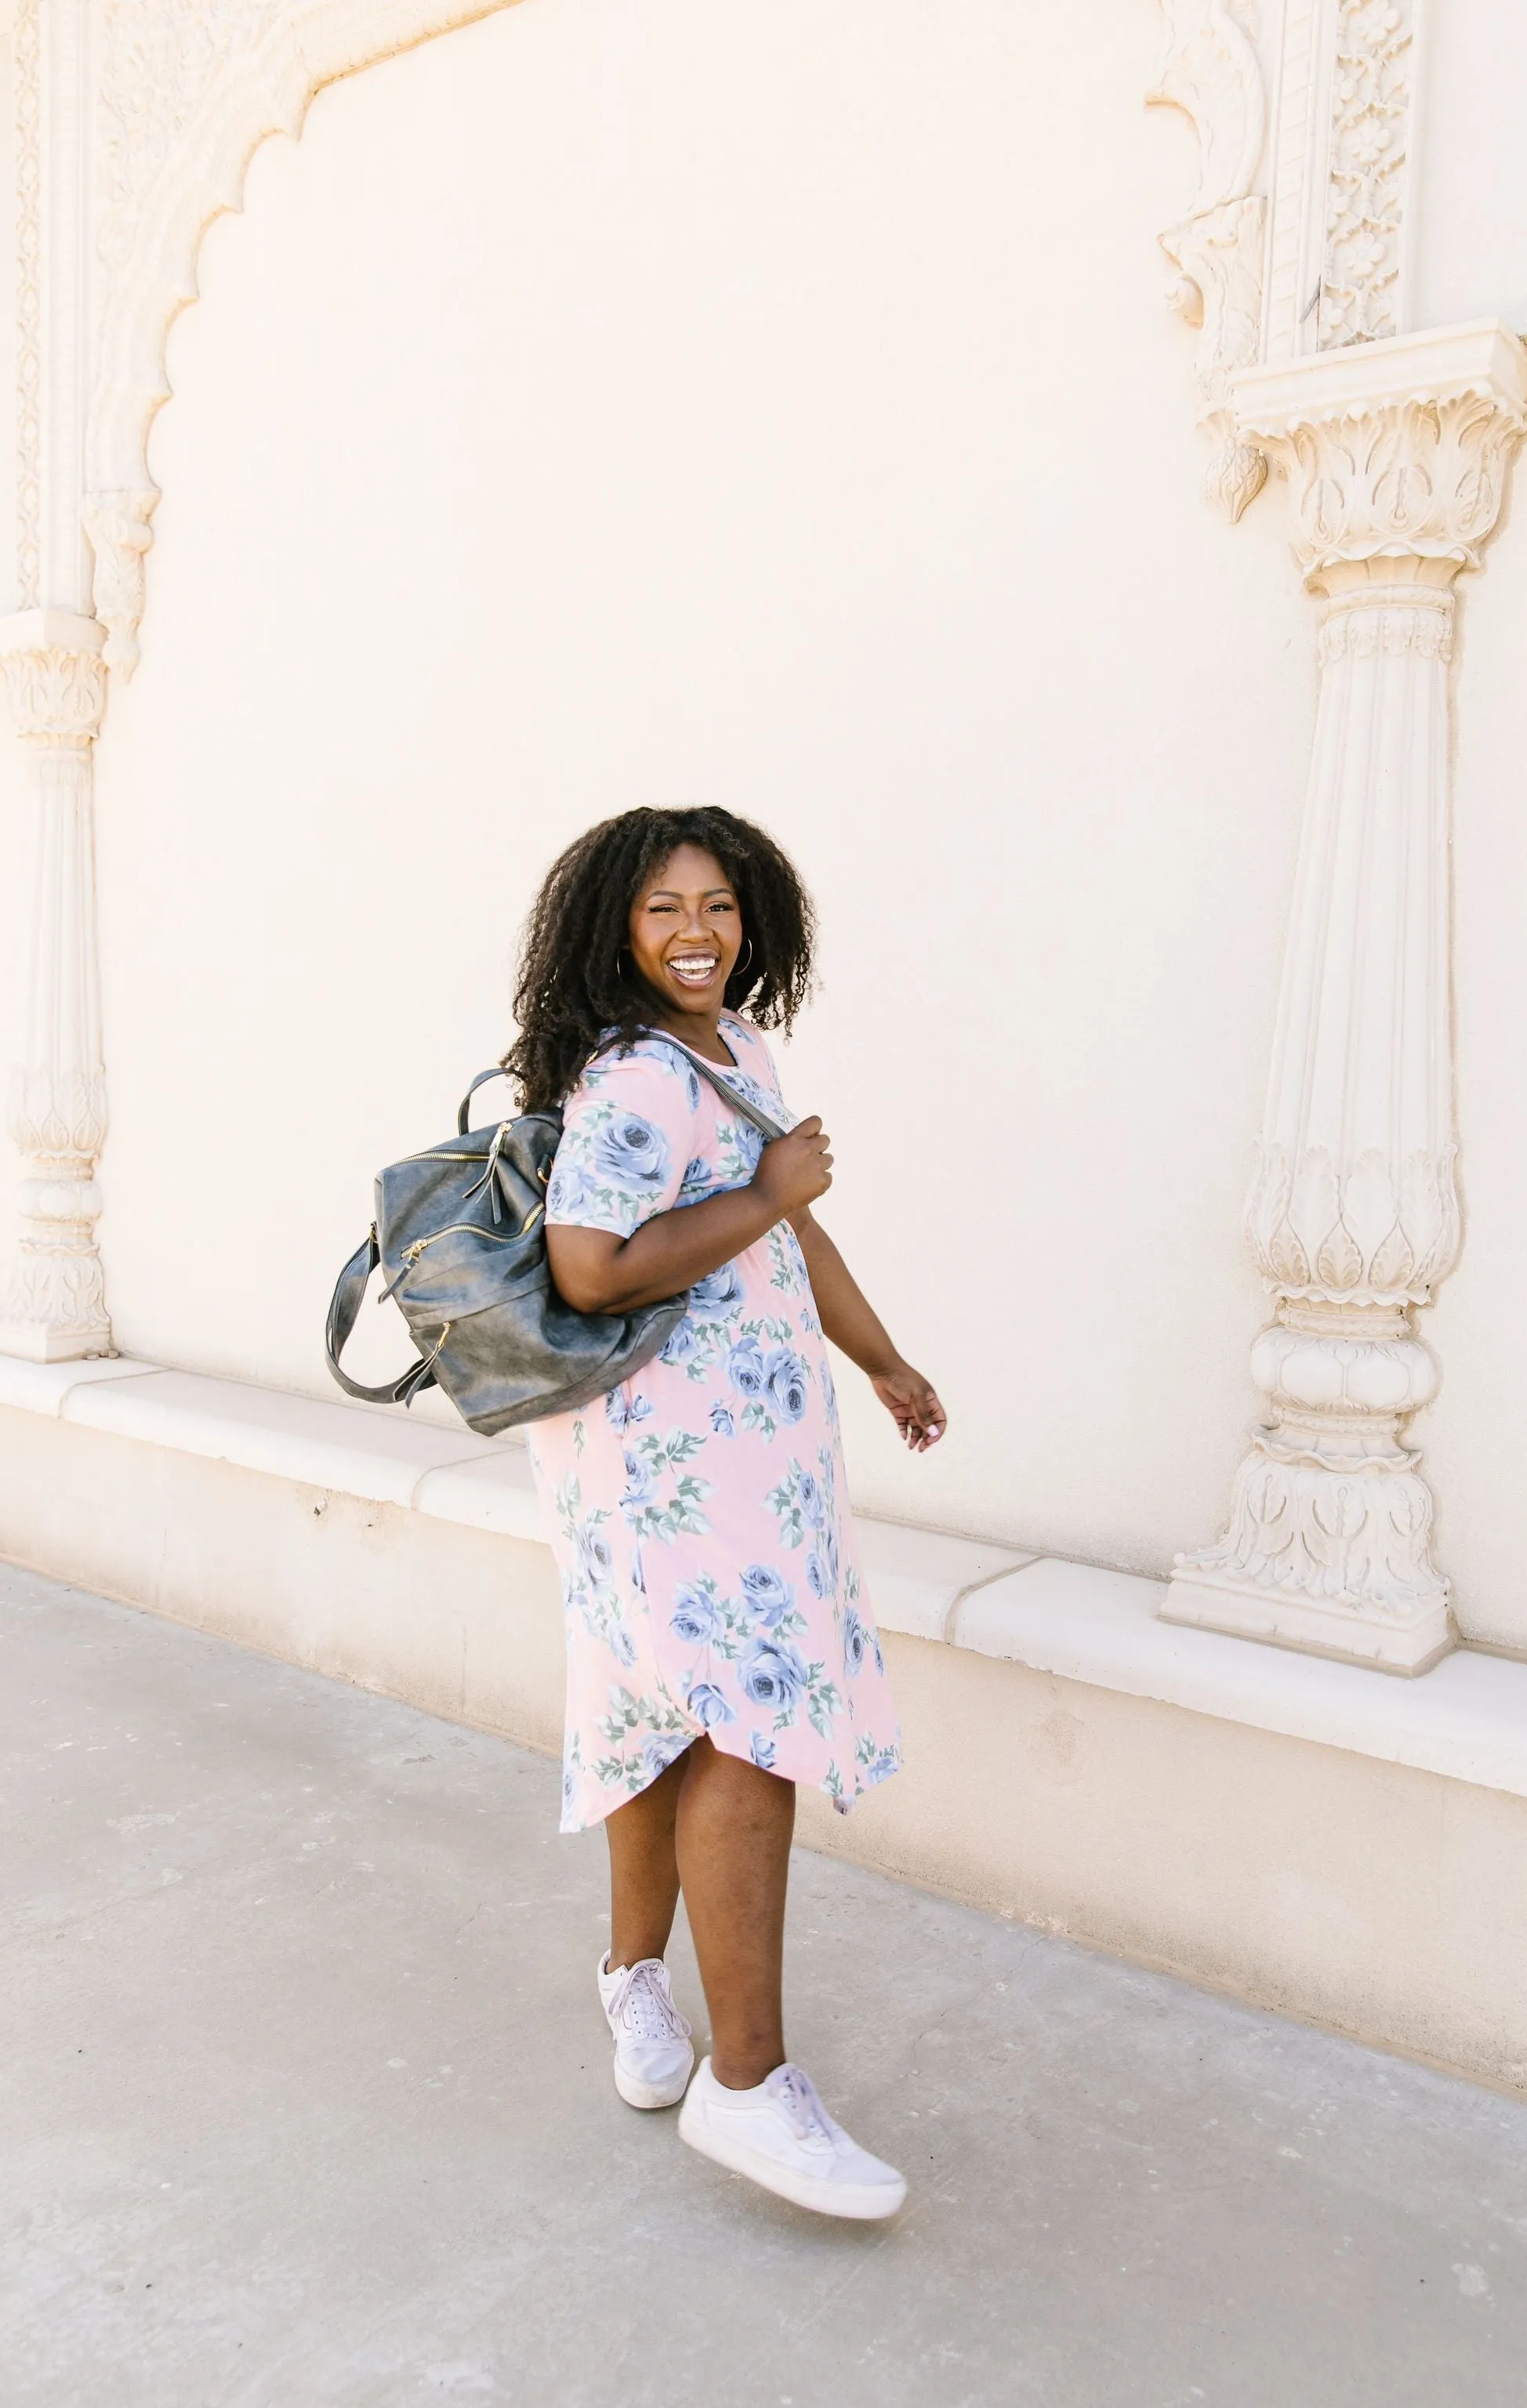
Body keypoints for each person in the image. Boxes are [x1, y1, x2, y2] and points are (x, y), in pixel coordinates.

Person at [503, 804, 945, 2220]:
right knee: (749, 1724)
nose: (696, 933)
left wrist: (879, 1359)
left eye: (720, 907)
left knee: (658, 1712)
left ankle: (637, 1980)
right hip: (662, 1460)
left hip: (754, 1452)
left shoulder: (739, 1050)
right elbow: (589, 1268)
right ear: (613, 934)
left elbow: (794, 1231)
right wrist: (766, 1192)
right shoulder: (635, 1075)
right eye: (662, 910)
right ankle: (747, 2087)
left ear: (754, 919)